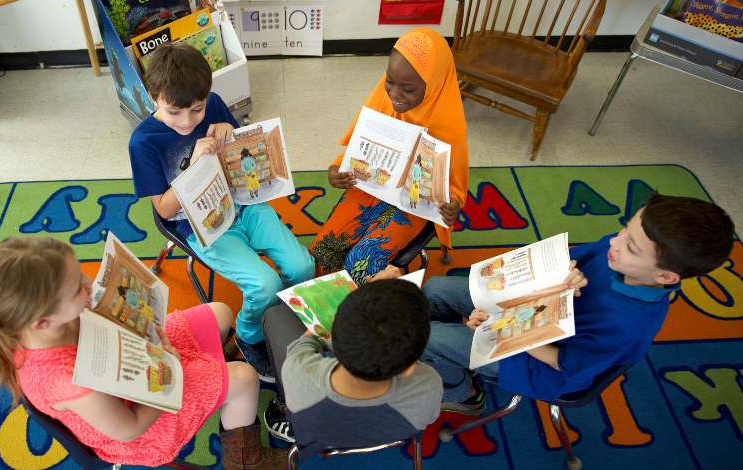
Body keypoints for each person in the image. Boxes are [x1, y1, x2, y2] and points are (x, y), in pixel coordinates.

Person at [0, 237, 288, 470]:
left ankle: (212, 370)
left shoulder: (33, 326)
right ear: (42, 321)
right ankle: (244, 457)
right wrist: (171, 369)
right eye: (77, 289)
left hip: (131, 364)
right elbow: (130, 429)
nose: (89, 285)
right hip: (139, 424)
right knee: (244, 379)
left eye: (81, 275)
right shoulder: (68, 383)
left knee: (220, 312)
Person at [419, 194, 735, 414]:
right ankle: (452, 354)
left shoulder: (626, 328)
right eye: (626, 229)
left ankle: (463, 393)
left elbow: (565, 365)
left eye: (632, 248)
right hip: (533, 312)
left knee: (425, 338)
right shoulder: (619, 253)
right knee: (434, 289)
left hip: (537, 362)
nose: (614, 241)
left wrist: (500, 326)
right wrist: (570, 273)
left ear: (665, 276)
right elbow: (573, 261)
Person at [128, 44, 314, 381]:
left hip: (240, 205)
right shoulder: (143, 142)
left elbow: (239, 149)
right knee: (264, 283)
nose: (187, 122)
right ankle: (247, 336)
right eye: (174, 112)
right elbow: (165, 208)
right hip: (199, 226)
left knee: (303, 265)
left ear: (207, 95)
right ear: (153, 97)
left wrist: (230, 133)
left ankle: (284, 319)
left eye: (196, 110)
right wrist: (195, 163)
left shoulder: (212, 103)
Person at [310, 28, 469, 285]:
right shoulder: (383, 100)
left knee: (360, 264)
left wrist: (452, 205)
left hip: (414, 202)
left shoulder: (451, 125)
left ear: (435, 84)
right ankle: (318, 312)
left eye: (408, 89)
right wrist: (337, 167)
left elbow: (454, 186)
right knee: (323, 250)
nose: (394, 94)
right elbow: (358, 149)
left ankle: (352, 318)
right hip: (372, 186)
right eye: (390, 80)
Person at [260, 268, 443, 447]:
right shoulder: (429, 385)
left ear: (334, 334)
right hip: (389, 433)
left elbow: (305, 344)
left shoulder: (297, 372)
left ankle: (287, 419)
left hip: (314, 434)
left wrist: (358, 306)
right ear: (409, 367)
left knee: (274, 315)